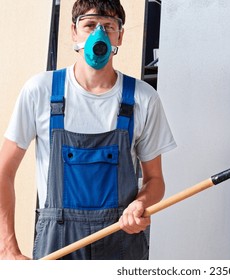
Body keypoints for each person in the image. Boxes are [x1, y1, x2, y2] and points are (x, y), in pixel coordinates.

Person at [0, 0, 176, 260]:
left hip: (121, 240)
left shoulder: (143, 98)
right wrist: (7, 249)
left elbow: (155, 180)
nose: (99, 35)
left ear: (120, 35)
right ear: (74, 31)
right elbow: (4, 172)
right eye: (90, 25)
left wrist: (141, 203)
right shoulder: (41, 91)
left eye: (108, 26)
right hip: (58, 243)